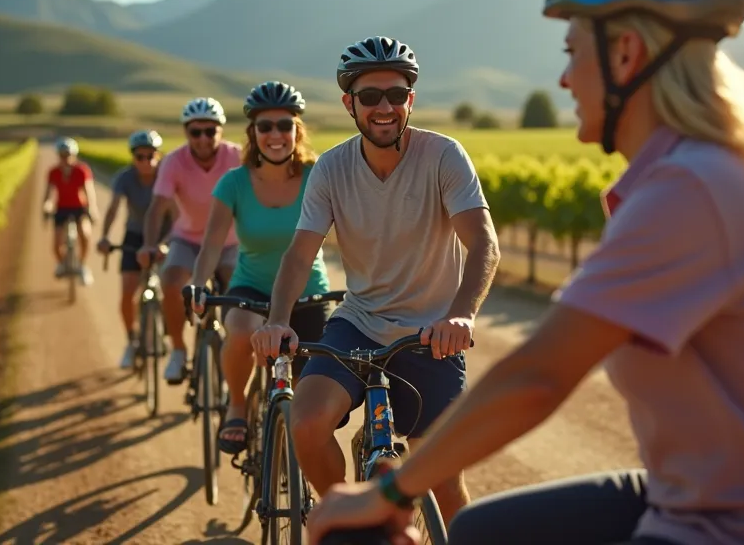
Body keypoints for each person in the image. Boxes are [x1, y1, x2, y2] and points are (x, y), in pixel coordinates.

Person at [303, 0, 744, 545]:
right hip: (695, 490)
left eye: (572, 51)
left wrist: (391, 492)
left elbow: (538, 376)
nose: (564, 79)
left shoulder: (692, 190)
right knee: (478, 530)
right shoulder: (680, 176)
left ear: (625, 53)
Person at [251, 35, 501, 529]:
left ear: (411, 99)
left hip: (432, 334)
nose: (384, 107)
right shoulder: (331, 168)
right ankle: (353, 524)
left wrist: (461, 315)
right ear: (350, 103)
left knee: (445, 483)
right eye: (370, 96)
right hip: (359, 324)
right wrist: (278, 320)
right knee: (306, 422)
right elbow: (300, 255)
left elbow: (484, 243)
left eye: (396, 94)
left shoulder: (444, 155)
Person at [185, 81, 331, 455]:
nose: (275, 135)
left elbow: (352, 233)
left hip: (308, 291)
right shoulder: (234, 183)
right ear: (253, 133)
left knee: (312, 387)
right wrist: (198, 284)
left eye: (284, 125)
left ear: (297, 130)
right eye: (265, 126)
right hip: (250, 288)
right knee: (239, 330)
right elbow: (212, 245)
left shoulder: (318, 176)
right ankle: (236, 405)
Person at [138, 97, 243, 384]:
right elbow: (157, 208)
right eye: (196, 132)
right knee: (171, 281)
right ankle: (178, 350)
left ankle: (232, 352)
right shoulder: (174, 161)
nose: (203, 139)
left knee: (237, 293)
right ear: (186, 132)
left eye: (210, 131)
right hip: (188, 239)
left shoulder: (237, 156)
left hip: (229, 241)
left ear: (221, 131)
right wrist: (149, 244)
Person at [97, 129, 170, 369]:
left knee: (173, 287)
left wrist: (167, 242)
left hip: (165, 236)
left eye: (151, 156)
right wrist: (105, 237)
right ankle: (131, 340)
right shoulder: (124, 178)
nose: (146, 161)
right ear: (133, 157)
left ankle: (166, 329)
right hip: (135, 237)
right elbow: (113, 208)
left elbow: (179, 213)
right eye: (140, 156)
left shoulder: (167, 177)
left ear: (158, 155)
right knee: (128, 292)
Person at [42, 136, 97, 286]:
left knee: (85, 235)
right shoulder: (53, 172)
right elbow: (48, 194)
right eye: (62, 155)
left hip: (79, 208)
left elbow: (89, 191)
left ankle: (82, 266)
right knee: (56, 244)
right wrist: (47, 206)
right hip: (61, 208)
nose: (65, 158)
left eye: (68, 155)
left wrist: (92, 209)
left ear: (74, 155)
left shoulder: (81, 170)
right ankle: (61, 263)